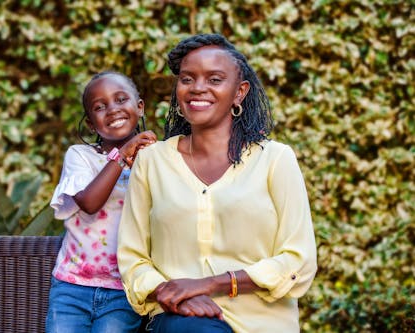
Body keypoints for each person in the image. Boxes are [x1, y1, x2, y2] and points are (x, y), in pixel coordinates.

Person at [117, 34, 317, 333]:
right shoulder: (152, 162)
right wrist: (172, 295)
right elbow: (133, 258)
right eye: (187, 78)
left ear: (239, 92)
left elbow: (298, 261)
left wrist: (209, 285)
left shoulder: (276, 159)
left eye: (214, 79)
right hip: (181, 322)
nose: (198, 88)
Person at [45, 71, 157, 333]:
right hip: (72, 286)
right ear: (92, 124)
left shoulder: (154, 159)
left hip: (125, 290)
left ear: (139, 107)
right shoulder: (81, 156)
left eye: (120, 100)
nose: (112, 110)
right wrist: (122, 154)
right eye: (100, 106)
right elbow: (89, 202)